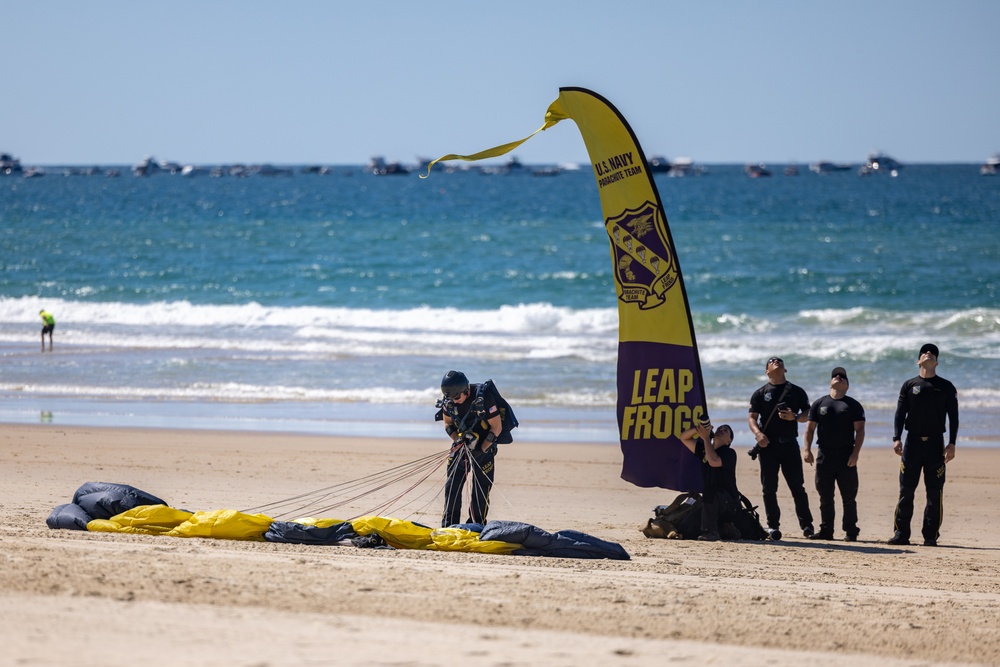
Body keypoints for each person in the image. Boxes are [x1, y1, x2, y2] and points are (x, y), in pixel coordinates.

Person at [888, 344, 959, 547]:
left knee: (934, 491)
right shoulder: (910, 385)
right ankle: (901, 534)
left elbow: (953, 417)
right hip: (912, 444)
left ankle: (930, 535)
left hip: (936, 443)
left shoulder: (946, 387)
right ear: (919, 361)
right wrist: (896, 438)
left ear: (936, 362)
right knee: (906, 490)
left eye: (933, 353)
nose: (928, 354)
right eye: (924, 352)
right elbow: (900, 413)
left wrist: (952, 443)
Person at [747, 356, 815, 539]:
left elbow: (808, 414)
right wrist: (758, 434)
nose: (777, 362)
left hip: (789, 444)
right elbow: (752, 417)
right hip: (767, 446)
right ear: (767, 371)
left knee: (797, 487)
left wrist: (795, 417)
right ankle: (773, 526)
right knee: (769, 488)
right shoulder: (760, 393)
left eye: (780, 362)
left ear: (785, 370)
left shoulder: (796, 391)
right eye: (772, 361)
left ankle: (807, 526)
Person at [803, 367, 866, 541]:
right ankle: (826, 530)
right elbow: (809, 429)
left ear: (847, 386)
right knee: (825, 495)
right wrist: (807, 449)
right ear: (830, 382)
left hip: (846, 455)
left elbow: (860, 431)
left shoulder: (853, 405)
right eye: (835, 376)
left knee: (848, 497)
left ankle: (851, 530)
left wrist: (855, 454)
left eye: (843, 377)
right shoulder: (819, 403)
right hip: (824, 455)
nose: (838, 377)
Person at [436, 370, 503, 528]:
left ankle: (475, 525)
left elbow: (497, 427)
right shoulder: (450, 401)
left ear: (466, 390)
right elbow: (447, 423)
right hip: (461, 445)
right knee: (452, 485)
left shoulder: (484, 399)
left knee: (481, 489)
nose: (455, 401)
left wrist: (481, 448)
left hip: (484, 448)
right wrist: (457, 439)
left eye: (457, 398)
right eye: (451, 399)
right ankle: (448, 526)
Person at [678, 417, 740, 541]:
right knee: (686, 528)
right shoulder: (704, 450)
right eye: (720, 428)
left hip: (728, 502)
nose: (722, 429)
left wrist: (706, 438)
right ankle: (724, 528)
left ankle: (711, 532)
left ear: (729, 441)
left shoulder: (729, 453)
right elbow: (683, 437)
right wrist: (699, 429)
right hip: (711, 503)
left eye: (726, 430)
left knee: (710, 490)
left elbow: (713, 461)